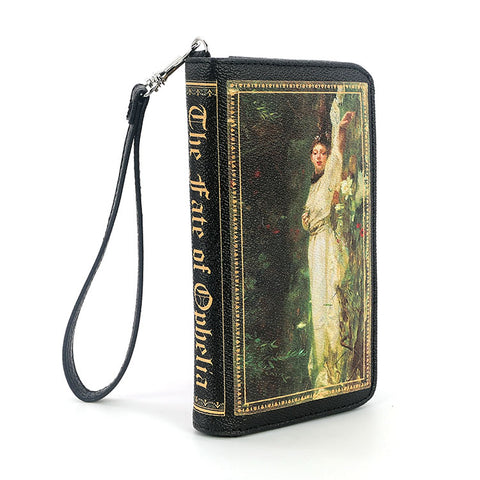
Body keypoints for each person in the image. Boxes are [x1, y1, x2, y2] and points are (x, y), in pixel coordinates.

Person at [301, 97, 355, 389]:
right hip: (314, 246)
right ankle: (322, 365)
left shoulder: (331, 173)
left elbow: (339, 153)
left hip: (326, 244)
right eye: (315, 153)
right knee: (317, 302)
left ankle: (333, 366)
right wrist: (305, 220)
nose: (319, 157)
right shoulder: (314, 184)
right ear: (311, 157)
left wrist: (341, 128)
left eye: (322, 152)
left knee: (328, 300)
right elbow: (308, 215)